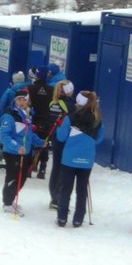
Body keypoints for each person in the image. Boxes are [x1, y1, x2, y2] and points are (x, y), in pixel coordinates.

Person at [56, 91, 104, 228]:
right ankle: (78, 219)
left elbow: (61, 137)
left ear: (79, 103)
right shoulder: (97, 119)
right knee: (82, 189)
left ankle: (62, 217)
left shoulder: (70, 118)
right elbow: (99, 138)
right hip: (87, 159)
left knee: (66, 188)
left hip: (69, 159)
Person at [0, 89, 46, 214]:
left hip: (26, 152)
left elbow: (28, 134)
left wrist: (40, 142)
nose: (22, 102)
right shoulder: (10, 115)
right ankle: (7, 202)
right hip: (13, 153)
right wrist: (16, 147)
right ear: (15, 100)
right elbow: (4, 136)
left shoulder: (27, 114)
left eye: (24, 99)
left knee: (22, 178)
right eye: (19, 99)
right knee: (13, 177)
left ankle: (11, 198)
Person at [45, 79, 77, 209]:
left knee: (56, 167)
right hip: (66, 139)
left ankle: (54, 196)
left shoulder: (53, 103)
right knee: (64, 169)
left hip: (55, 138)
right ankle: (58, 198)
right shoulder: (69, 105)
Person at [28, 65, 55, 178]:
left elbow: (28, 104)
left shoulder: (30, 88)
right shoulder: (51, 90)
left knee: (31, 141)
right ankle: (42, 168)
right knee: (44, 143)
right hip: (46, 121)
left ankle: (30, 166)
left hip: (33, 119)